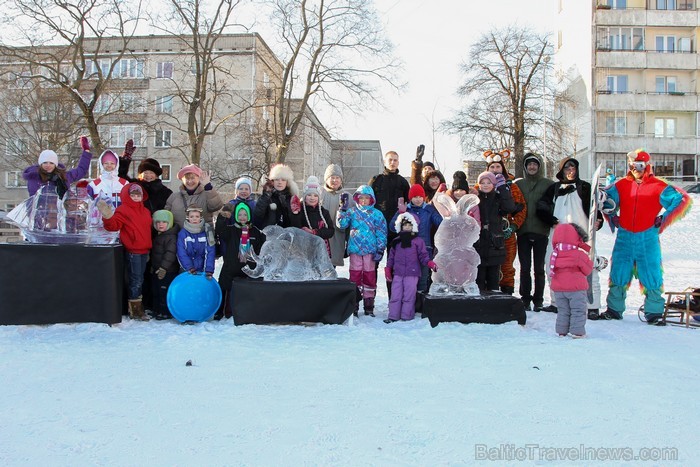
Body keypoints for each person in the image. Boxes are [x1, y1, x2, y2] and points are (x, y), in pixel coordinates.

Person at [594, 149, 692, 325]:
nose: (635, 169)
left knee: (651, 274)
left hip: (647, 238)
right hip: (624, 237)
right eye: (632, 165)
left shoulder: (658, 186)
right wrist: (612, 215)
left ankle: (653, 313)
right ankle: (614, 310)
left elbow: (682, 200)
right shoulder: (621, 184)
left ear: (646, 165)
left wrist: (664, 218)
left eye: (639, 165)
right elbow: (605, 199)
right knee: (618, 273)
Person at [536, 157, 602, 315]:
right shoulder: (554, 188)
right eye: (567, 168)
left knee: (587, 266)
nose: (570, 171)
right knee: (553, 266)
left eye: (573, 168)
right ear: (561, 170)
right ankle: (556, 302)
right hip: (558, 235)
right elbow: (541, 207)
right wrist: (550, 220)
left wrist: (598, 221)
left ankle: (591, 305)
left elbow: (594, 210)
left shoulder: (585, 188)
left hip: (581, 234)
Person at [96, 183, 152, 321]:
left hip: (145, 250)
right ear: (127, 195)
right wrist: (108, 217)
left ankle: (138, 306)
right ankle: (136, 310)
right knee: (136, 280)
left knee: (141, 279)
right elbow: (113, 226)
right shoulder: (123, 210)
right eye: (133, 195)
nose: (136, 197)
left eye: (138, 195)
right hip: (133, 251)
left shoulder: (145, 211)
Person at [336, 185, 388, 317]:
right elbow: (341, 224)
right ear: (357, 199)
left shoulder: (377, 214)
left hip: (370, 251)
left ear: (372, 199)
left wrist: (380, 249)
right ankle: (354, 303)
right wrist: (342, 209)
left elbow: (381, 232)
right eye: (361, 198)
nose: (364, 201)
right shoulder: (352, 212)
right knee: (355, 276)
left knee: (369, 277)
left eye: (367, 198)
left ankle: (369, 304)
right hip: (355, 250)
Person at [515, 153, 554, 311]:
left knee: (539, 268)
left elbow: (553, 204)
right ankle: (525, 298)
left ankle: (538, 299)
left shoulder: (548, 184)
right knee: (524, 268)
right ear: (525, 167)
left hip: (541, 231)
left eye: (535, 164)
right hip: (523, 231)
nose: (532, 167)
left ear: (539, 167)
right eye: (529, 164)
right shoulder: (519, 184)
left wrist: (548, 216)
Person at [484, 151, 526, 295]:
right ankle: (488, 293)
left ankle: (507, 294)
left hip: (506, 234)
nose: (495, 170)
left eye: (498, 167)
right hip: (486, 234)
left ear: (503, 168)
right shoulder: (480, 188)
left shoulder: (512, 188)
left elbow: (521, 209)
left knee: (507, 265)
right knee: (486, 265)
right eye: (492, 167)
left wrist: (513, 226)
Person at [369, 150, 410, 297]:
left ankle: (394, 299)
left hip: (396, 231)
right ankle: (370, 299)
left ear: (398, 162)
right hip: (377, 230)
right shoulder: (376, 180)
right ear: (385, 162)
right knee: (373, 264)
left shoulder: (403, 182)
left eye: (395, 160)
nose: (392, 162)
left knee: (394, 266)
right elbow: (367, 203)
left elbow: (408, 207)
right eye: (390, 160)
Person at [384, 213, 437, 323]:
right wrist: (388, 269)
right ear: (400, 226)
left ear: (414, 226)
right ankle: (393, 316)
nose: (407, 227)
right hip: (398, 273)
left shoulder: (418, 241)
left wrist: (430, 263)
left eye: (409, 225)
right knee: (396, 294)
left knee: (409, 295)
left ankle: (406, 316)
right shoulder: (396, 241)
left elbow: (423, 256)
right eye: (404, 225)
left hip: (412, 274)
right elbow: (391, 257)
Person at [389, 184, 442, 294]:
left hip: (425, 249)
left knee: (423, 279)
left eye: (420, 197)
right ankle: (408, 306)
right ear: (410, 198)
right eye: (415, 197)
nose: (418, 200)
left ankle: (420, 306)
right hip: (407, 250)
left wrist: (442, 210)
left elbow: (440, 222)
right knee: (409, 280)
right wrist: (400, 213)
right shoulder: (405, 209)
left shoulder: (429, 209)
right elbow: (392, 227)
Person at [216, 203, 265, 319]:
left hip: (248, 268)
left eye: (245, 214)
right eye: (239, 214)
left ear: (249, 215)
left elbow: (260, 248)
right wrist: (223, 217)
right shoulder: (230, 230)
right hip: (231, 266)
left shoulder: (255, 232)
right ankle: (220, 311)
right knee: (224, 286)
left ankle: (247, 312)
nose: (242, 217)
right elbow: (219, 230)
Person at [474, 171, 517, 292]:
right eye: (483, 183)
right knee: (479, 278)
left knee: (494, 278)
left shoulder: (499, 198)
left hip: (495, 244)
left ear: (494, 184)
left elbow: (510, 207)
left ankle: (493, 305)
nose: (486, 185)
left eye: (489, 182)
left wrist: (503, 188)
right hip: (479, 243)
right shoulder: (476, 198)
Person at [549, 223, 594, 338]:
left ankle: (561, 331)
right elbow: (588, 270)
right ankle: (577, 332)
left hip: (559, 290)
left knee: (563, 310)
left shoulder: (554, 255)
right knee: (578, 310)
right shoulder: (578, 254)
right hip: (576, 289)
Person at [23, 136, 93, 197]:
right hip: (39, 211)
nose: (48, 165)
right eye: (45, 162)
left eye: (51, 163)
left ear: (55, 164)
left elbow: (81, 170)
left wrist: (86, 151)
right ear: (40, 164)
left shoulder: (63, 176)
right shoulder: (34, 176)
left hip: (58, 210)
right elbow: (31, 199)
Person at [165, 164, 224, 229]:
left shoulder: (207, 194)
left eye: (192, 178)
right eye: (187, 178)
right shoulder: (174, 197)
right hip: (180, 237)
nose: (190, 181)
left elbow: (216, 206)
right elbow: (166, 217)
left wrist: (208, 186)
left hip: (202, 236)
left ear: (199, 178)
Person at [291, 176, 335, 255]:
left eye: (315, 196)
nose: (312, 198)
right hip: (304, 251)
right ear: (304, 196)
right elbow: (295, 228)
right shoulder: (300, 211)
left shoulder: (324, 212)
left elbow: (331, 231)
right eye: (309, 195)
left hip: (321, 251)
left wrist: (315, 232)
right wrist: (295, 214)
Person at [215, 176, 257, 257]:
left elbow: (257, 221)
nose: (243, 191)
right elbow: (223, 226)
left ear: (250, 191)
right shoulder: (230, 205)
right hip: (233, 239)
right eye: (241, 189)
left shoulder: (254, 205)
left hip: (249, 238)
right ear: (236, 191)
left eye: (246, 189)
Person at [150, 209, 180, 320]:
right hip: (157, 270)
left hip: (168, 271)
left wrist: (164, 268)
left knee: (164, 291)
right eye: (157, 222)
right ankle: (157, 309)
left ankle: (165, 312)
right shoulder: (159, 236)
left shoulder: (171, 237)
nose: (160, 224)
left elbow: (170, 254)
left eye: (163, 222)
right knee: (156, 290)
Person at [321, 164, 351, 267]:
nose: (335, 180)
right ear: (326, 179)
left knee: (331, 268)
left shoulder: (347, 197)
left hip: (338, 237)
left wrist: (350, 241)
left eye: (337, 177)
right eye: (332, 177)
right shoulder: (319, 194)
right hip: (321, 237)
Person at [254, 163, 299, 229]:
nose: (280, 182)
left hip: (287, 236)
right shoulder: (267, 197)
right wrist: (266, 195)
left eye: (283, 180)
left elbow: (296, 222)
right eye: (277, 179)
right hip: (268, 235)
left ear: (287, 182)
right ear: (272, 181)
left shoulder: (291, 199)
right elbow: (257, 215)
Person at [177, 205, 216, 278]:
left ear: (201, 217)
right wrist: (189, 268)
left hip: (202, 270)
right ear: (187, 217)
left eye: (197, 216)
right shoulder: (183, 233)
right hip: (187, 270)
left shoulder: (207, 231)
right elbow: (181, 252)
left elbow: (210, 251)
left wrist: (209, 270)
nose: (194, 219)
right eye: (192, 217)